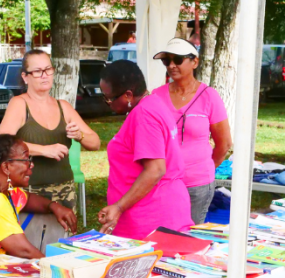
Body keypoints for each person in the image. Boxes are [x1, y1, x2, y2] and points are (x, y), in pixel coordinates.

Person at [0, 50, 100, 248]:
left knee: (62, 253)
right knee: (30, 253)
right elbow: (2, 143)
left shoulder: (63, 106)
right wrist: (43, 149)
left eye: (48, 69)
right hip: (29, 194)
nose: (44, 75)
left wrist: (79, 135)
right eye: (37, 71)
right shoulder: (20, 104)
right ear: (25, 77)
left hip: (65, 193)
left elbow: (95, 142)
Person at [96, 60, 194, 238]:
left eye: (108, 98)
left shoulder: (143, 115)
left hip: (150, 218)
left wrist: (119, 206)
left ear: (127, 95)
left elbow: (155, 169)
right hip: (161, 210)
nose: (107, 103)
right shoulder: (154, 103)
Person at [0, 134, 77, 258]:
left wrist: (54, 206)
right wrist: (54, 269)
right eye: (26, 159)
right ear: (6, 167)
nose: (31, 165)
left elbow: (27, 199)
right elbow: (23, 250)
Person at [148, 38, 232, 225]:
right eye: (166, 61)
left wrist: (205, 168)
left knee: (191, 235)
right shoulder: (156, 96)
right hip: (163, 182)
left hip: (197, 183)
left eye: (177, 60)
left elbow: (224, 143)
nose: (171, 65)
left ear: (195, 61)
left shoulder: (209, 96)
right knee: (163, 232)